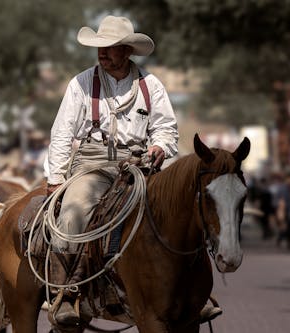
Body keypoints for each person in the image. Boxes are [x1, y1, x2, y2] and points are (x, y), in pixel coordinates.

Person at [44, 15, 180, 326]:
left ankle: (190, 291)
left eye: (109, 48)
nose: (102, 53)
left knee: (175, 214)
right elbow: (63, 134)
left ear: (127, 51)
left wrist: (159, 147)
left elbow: (167, 130)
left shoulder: (151, 85)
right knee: (72, 213)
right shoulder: (80, 83)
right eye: (99, 48)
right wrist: (55, 179)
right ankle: (67, 294)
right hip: (91, 164)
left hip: (139, 166)